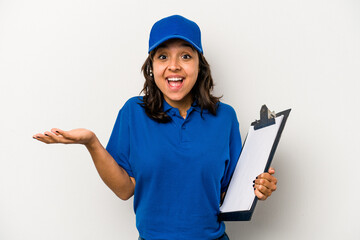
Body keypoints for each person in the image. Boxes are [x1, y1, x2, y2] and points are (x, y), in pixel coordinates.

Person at [33, 15, 277, 240]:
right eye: (163, 56)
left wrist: (258, 187)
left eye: (185, 56)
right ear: (151, 66)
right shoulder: (133, 112)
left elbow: (226, 193)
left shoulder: (224, 116)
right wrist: (91, 142)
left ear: (199, 66)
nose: (173, 66)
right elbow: (124, 190)